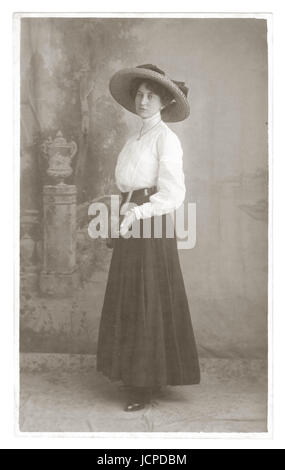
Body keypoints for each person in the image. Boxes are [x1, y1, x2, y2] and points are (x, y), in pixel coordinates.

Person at [96, 64, 200, 412]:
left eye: (150, 96)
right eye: (139, 95)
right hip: (129, 215)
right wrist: (118, 214)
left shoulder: (166, 139)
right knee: (131, 294)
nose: (142, 101)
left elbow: (173, 193)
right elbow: (127, 185)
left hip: (150, 220)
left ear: (164, 101)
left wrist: (137, 213)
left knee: (148, 296)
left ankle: (144, 384)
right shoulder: (135, 139)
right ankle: (136, 373)